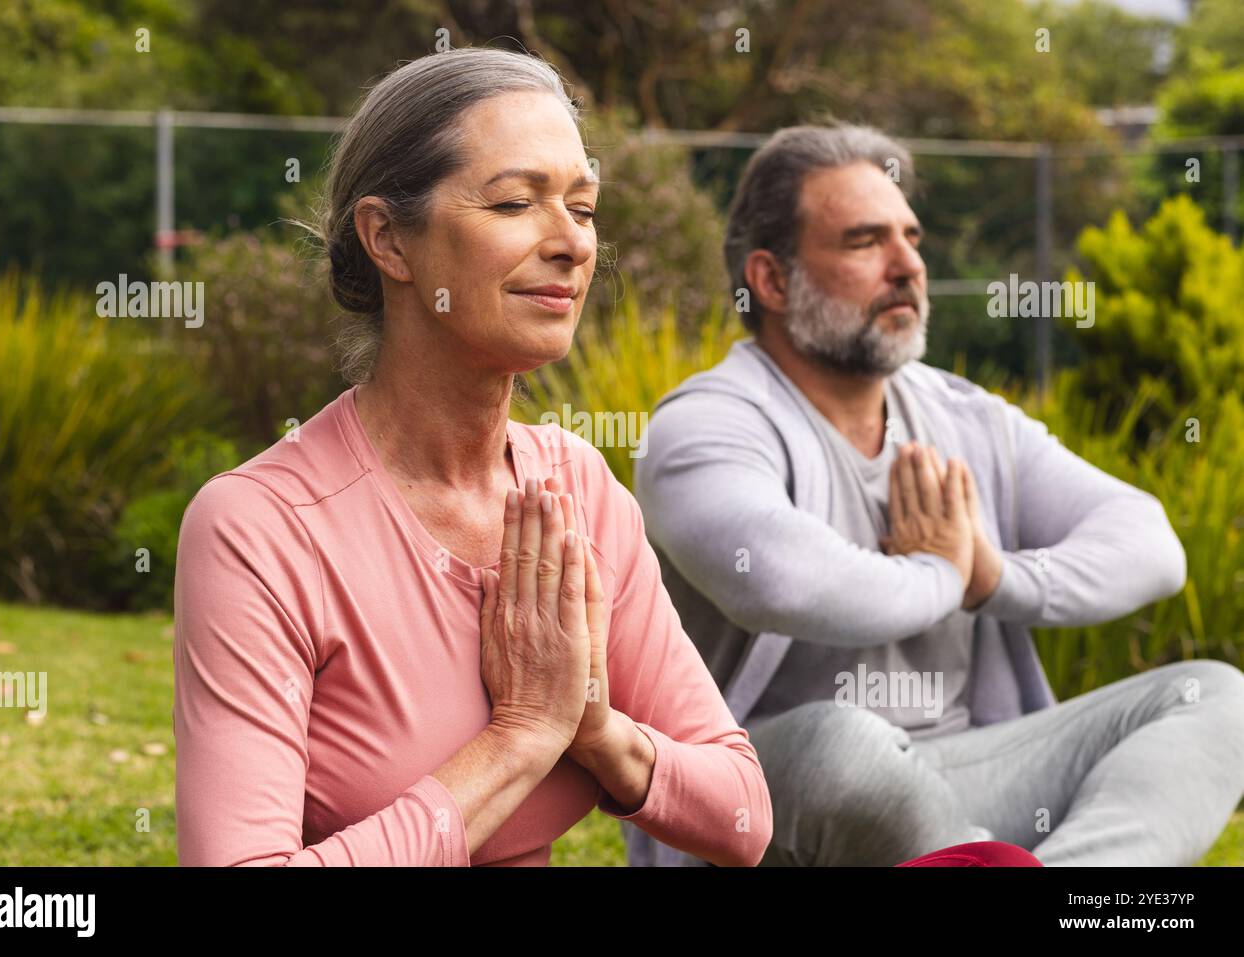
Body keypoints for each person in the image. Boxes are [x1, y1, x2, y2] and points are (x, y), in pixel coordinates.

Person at [171, 46, 773, 867]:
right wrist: (521, 736)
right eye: (515, 203)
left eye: (584, 207)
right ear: (388, 239)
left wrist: (593, 726)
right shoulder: (262, 528)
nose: (570, 243)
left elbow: (742, 815)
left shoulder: (577, 491)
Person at [629, 122, 1244, 867]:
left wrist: (992, 577)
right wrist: (943, 574)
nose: (908, 266)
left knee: (1218, 696)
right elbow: (786, 582)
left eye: (911, 238)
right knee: (841, 740)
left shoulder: (964, 415)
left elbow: (1151, 546)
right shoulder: (703, 426)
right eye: (865, 242)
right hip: (765, 802)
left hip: (964, 773)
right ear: (772, 279)